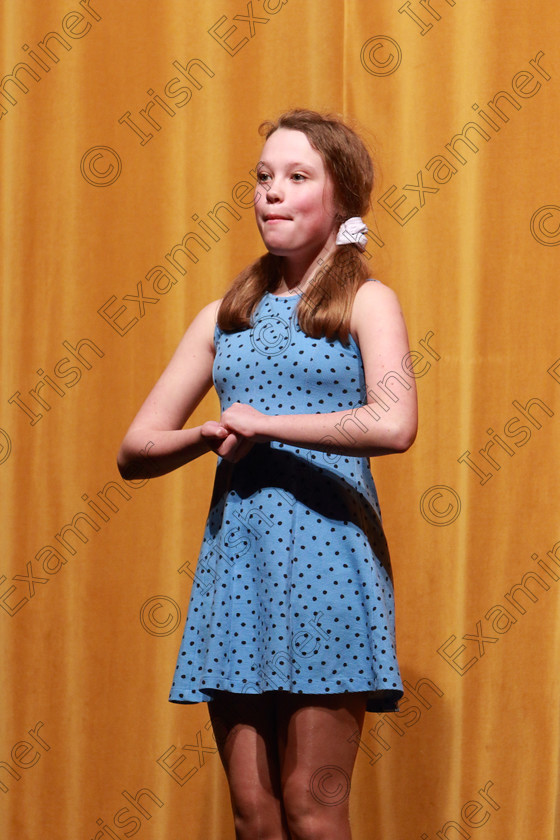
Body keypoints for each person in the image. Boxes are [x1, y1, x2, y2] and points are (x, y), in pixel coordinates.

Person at [117, 109, 418, 840]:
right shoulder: (227, 315)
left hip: (329, 570)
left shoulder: (365, 302)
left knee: (312, 809)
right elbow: (135, 449)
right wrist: (209, 431)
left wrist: (266, 423)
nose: (271, 193)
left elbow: (394, 422)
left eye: (295, 177)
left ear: (339, 198)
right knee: (255, 814)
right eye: (262, 178)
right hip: (239, 572)